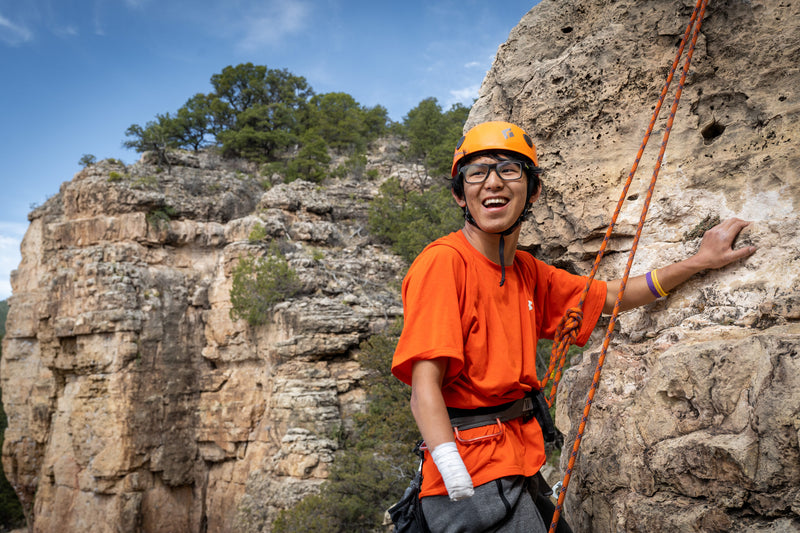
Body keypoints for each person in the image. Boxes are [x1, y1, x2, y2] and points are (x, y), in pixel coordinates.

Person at [390, 121, 756, 533]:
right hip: (471, 478)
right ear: (460, 194)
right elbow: (424, 388)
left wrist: (697, 262)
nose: (492, 183)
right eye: (477, 173)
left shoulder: (525, 270)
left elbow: (610, 297)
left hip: (516, 463)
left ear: (534, 190)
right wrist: (450, 466)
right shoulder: (444, 263)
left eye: (509, 170)